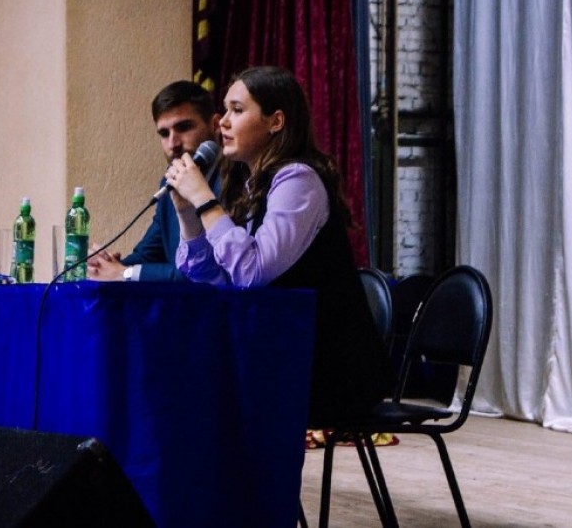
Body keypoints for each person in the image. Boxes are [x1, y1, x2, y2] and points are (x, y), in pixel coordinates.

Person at [164, 65, 388, 422]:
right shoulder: (253, 185)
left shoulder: (299, 180)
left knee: (189, 385)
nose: (223, 122)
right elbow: (220, 281)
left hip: (329, 367)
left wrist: (206, 200)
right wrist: (187, 214)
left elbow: (253, 273)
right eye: (225, 109)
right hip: (281, 354)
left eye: (237, 110)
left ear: (276, 121)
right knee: (174, 369)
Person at [87, 80, 221, 282]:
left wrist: (124, 273)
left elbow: (210, 272)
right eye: (164, 134)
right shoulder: (170, 183)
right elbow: (149, 254)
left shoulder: (236, 179)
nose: (173, 144)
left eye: (184, 127)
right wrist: (107, 265)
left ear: (215, 125)